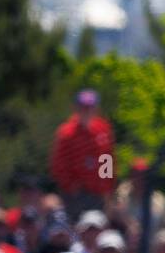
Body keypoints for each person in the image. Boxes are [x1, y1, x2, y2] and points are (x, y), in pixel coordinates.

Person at [49, 88, 115, 217]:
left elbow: (107, 159)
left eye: (90, 107)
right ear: (76, 108)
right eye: (83, 107)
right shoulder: (67, 132)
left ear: (96, 108)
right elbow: (59, 165)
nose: (87, 110)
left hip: (98, 193)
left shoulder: (103, 129)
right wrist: (72, 187)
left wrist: (107, 189)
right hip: (76, 194)